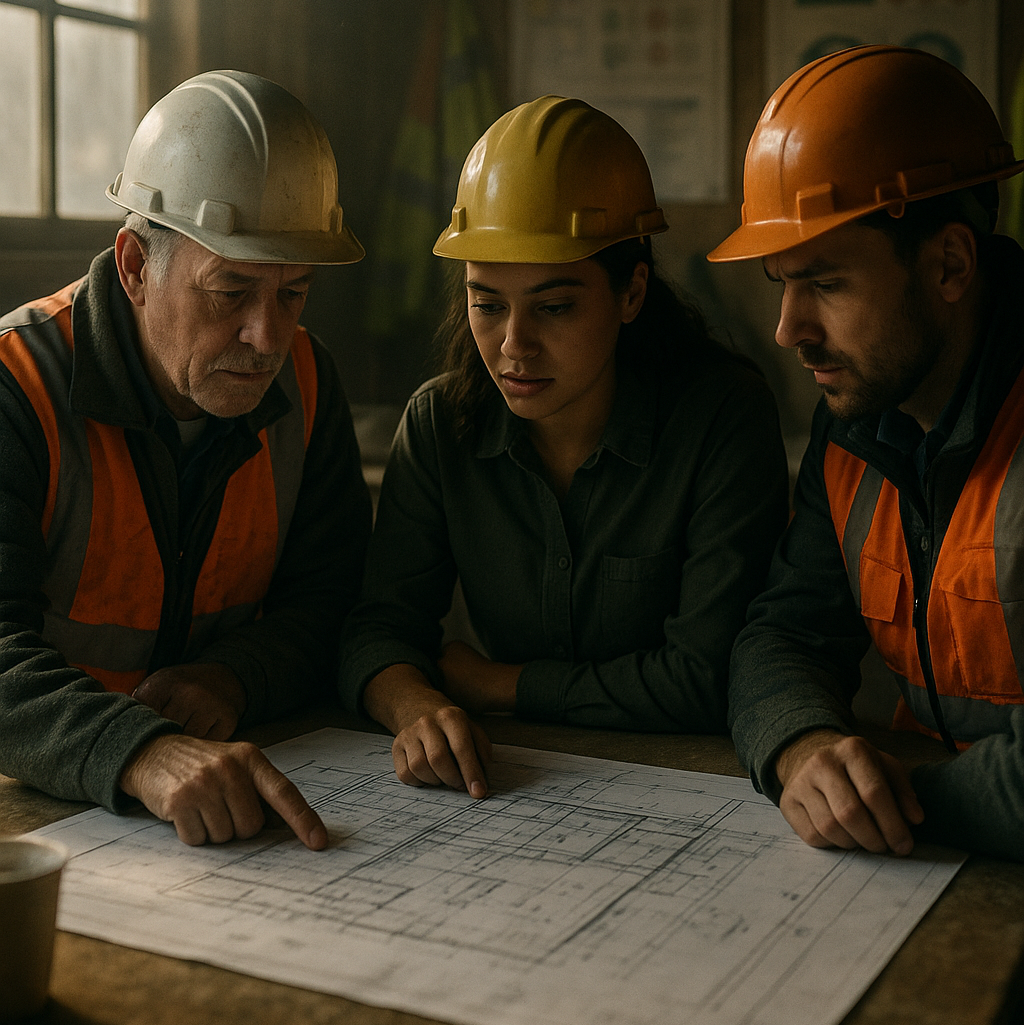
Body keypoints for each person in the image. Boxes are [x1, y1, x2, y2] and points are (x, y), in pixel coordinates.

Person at [339, 95, 789, 797]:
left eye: (553, 307)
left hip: (694, 784)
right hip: (516, 784)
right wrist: (416, 705)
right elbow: (378, 630)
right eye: (487, 304)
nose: (514, 346)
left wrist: (500, 684)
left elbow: (709, 678)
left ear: (632, 292)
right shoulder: (439, 425)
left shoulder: (721, 419)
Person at [0, 71, 373, 849]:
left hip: (215, 807)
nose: (267, 338)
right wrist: (141, 749)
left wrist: (235, 675)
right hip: (41, 818)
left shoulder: (308, 383)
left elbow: (332, 601)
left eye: (293, 294)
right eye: (231, 291)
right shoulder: (17, 385)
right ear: (136, 267)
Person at [708, 45, 1024, 862]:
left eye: (826, 284)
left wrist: (892, 801)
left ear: (949, 263)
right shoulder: (858, 424)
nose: (789, 329)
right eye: (781, 283)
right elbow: (784, 632)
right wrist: (802, 746)